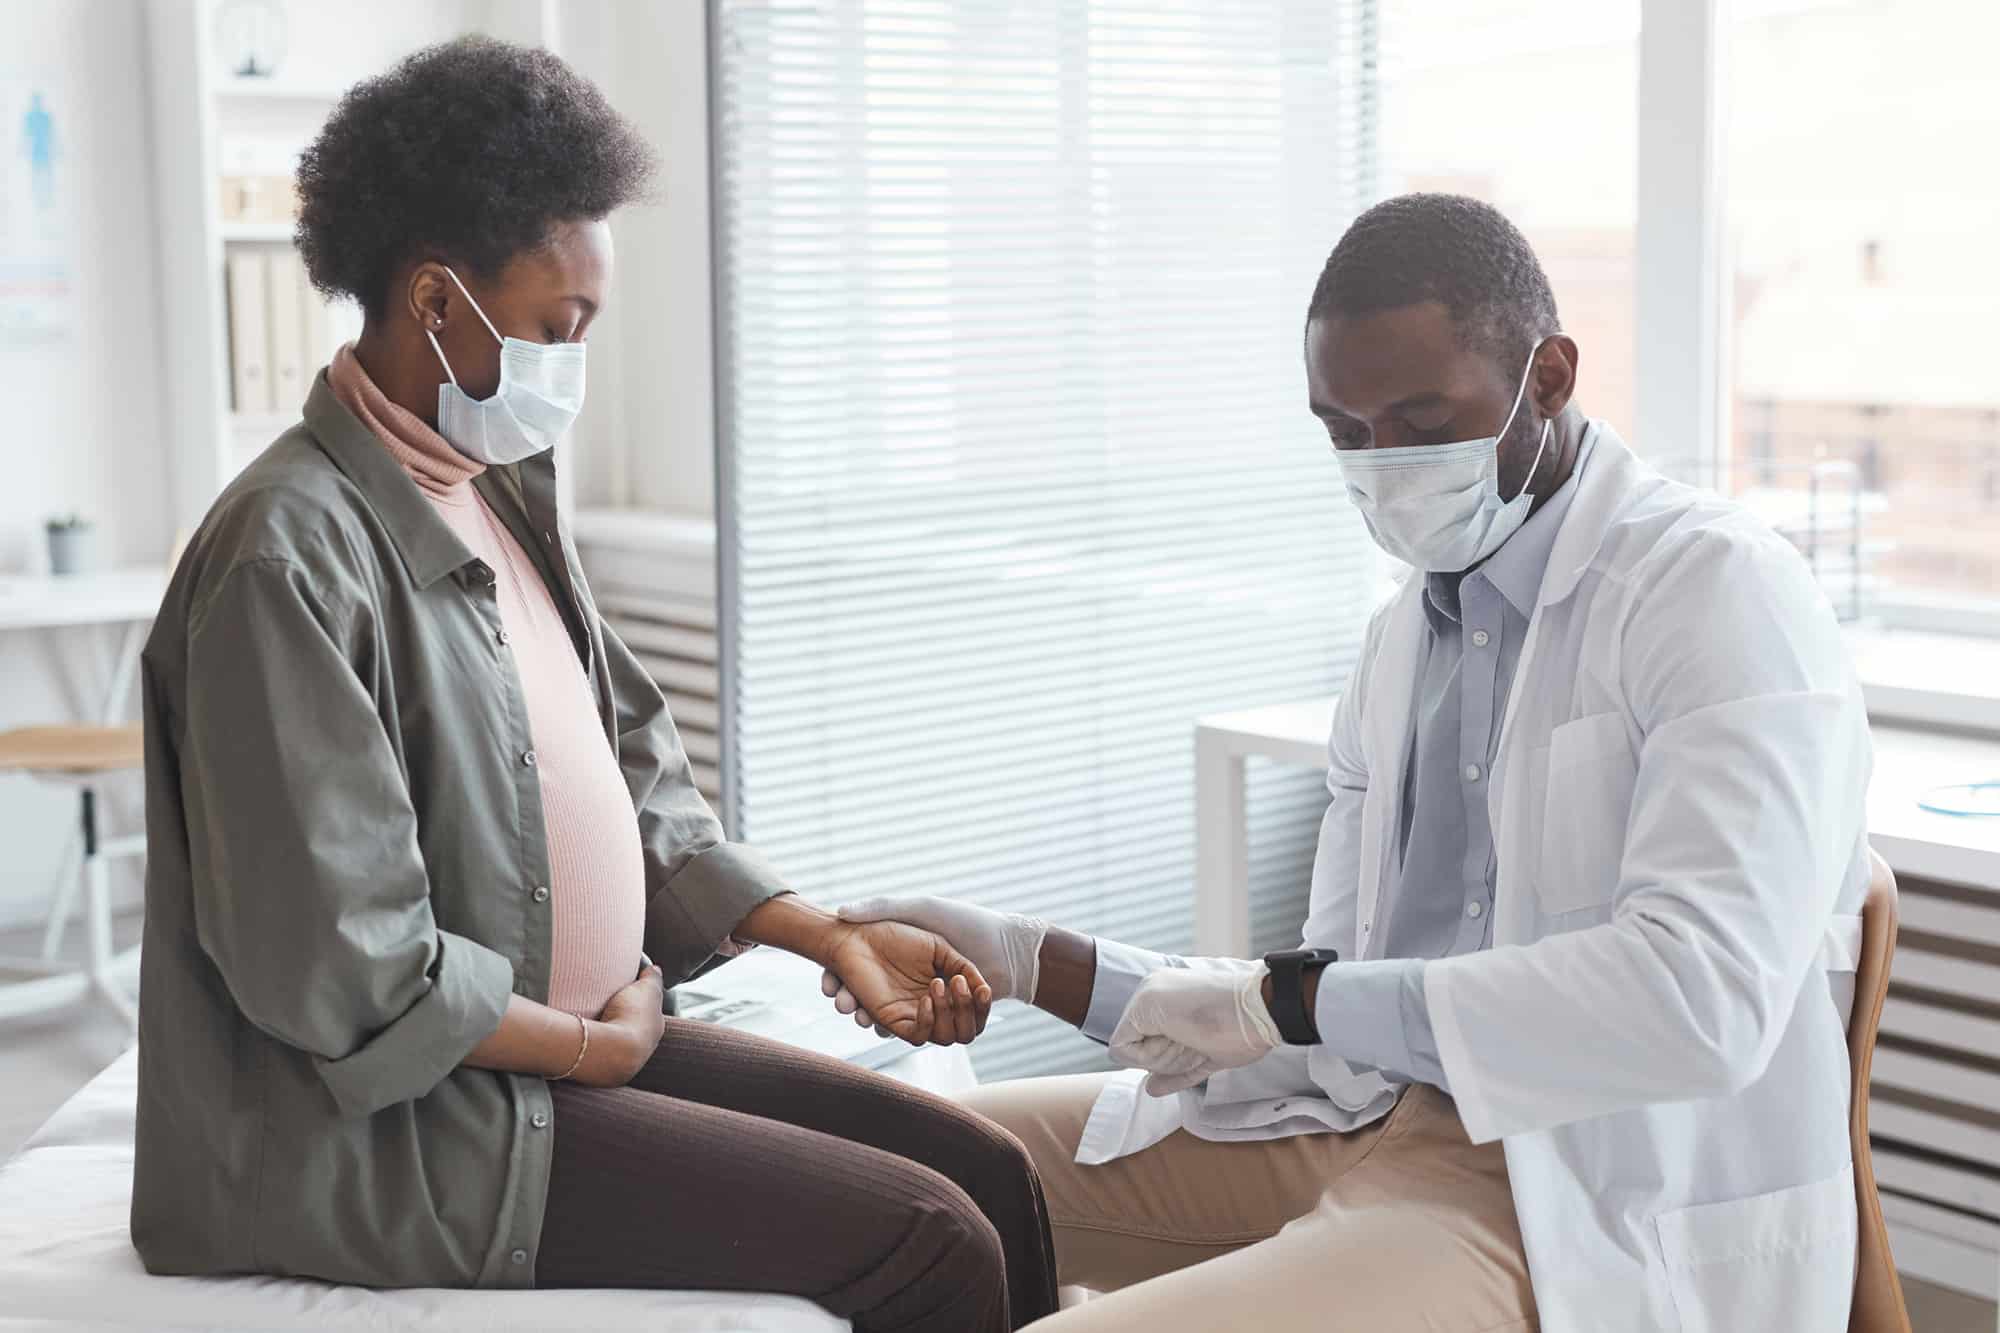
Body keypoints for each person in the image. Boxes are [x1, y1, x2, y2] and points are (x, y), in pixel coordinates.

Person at [131, 37, 1058, 1333]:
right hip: (397, 1127)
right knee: (930, 1241)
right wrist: (594, 1049)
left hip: (554, 1046)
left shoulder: (494, 494)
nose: (578, 359)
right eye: (562, 324)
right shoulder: (288, 556)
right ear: (437, 302)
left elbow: (639, 786)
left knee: (992, 1176)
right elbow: (341, 966)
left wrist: (827, 931)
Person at [829, 194, 1872, 1332]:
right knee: (869, 1179)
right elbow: (1315, 1000)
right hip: (1356, 1119)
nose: (1384, 468)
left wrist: (1295, 1000)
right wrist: (1030, 958)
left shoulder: (1713, 591)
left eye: (1424, 422)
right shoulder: (1398, 644)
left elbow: (1697, 1000)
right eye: (1344, 432)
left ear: (1550, 377)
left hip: (1569, 1187)